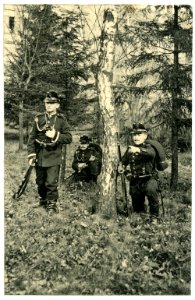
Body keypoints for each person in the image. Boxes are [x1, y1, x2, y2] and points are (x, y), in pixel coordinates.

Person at [27, 91, 72, 213]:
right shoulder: (39, 119)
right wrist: (31, 154)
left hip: (53, 154)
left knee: (51, 182)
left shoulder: (61, 120)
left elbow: (69, 137)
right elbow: (32, 137)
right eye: (47, 103)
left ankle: (51, 205)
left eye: (52, 103)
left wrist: (55, 135)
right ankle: (43, 200)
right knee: (40, 181)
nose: (49, 105)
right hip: (40, 154)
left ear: (57, 105)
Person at [119, 123, 160, 223]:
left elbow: (151, 154)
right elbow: (123, 162)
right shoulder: (130, 149)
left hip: (149, 178)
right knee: (136, 202)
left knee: (151, 193)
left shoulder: (149, 147)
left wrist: (138, 150)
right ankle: (141, 214)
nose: (136, 137)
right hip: (136, 179)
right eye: (134, 135)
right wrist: (123, 168)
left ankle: (154, 216)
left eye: (139, 134)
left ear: (145, 136)